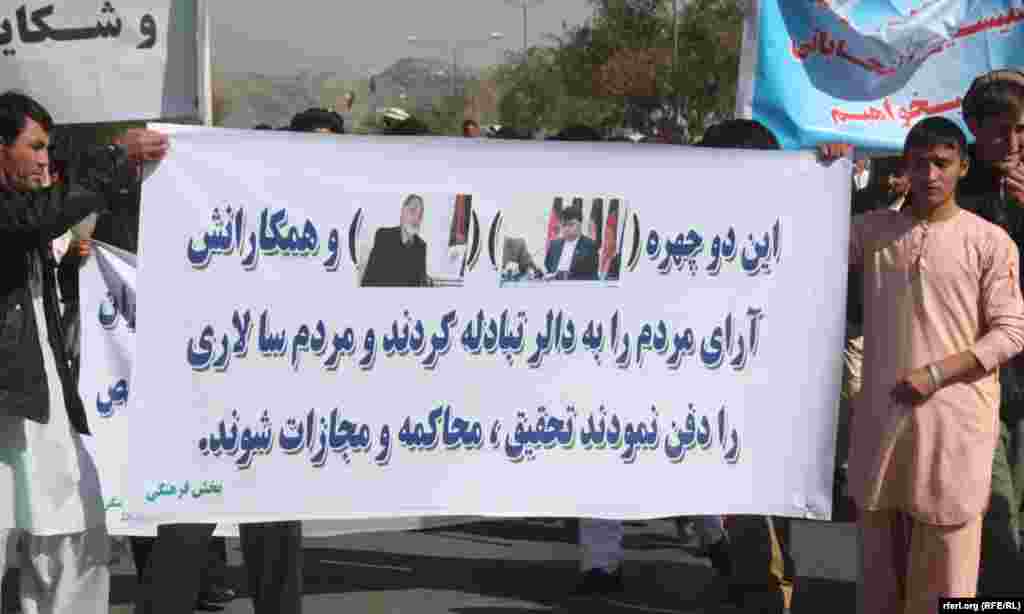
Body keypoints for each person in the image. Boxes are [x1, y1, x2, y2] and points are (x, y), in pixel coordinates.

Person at [846, 116, 1024, 613]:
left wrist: (936, 374)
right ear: (904, 167)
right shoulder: (872, 232)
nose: (930, 175)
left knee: (948, 572)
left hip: (953, 423)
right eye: (920, 163)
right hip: (884, 423)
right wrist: (830, 166)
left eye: (942, 164)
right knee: (878, 576)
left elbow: (1011, 333)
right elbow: (808, 236)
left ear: (963, 167)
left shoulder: (989, 241)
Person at [0, 90, 168, 614]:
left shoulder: (31, 212)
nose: (44, 160)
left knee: (74, 542)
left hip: (36, 406)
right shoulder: (22, 214)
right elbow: (34, 219)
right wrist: (115, 157)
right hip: (11, 408)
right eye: (35, 147)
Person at [695, 118, 795, 614]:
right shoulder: (694, 221)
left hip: (769, 393)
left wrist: (831, 169)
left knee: (761, 515)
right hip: (711, 387)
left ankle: (765, 592)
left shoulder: (797, 218)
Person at [957, 67, 1024, 596]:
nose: (1013, 142)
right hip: (976, 376)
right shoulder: (953, 190)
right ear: (976, 129)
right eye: (1001, 130)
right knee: (996, 516)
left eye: (1021, 130)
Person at [361, 194, 430, 287]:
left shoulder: (421, 246)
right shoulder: (384, 236)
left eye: (420, 215)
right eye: (413, 211)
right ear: (403, 211)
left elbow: (419, 282)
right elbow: (369, 278)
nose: (416, 218)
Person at [544, 204, 599, 280]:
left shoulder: (589, 245)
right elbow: (549, 268)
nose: (566, 228)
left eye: (571, 225)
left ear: (580, 224)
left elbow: (592, 276)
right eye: (564, 225)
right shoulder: (554, 245)